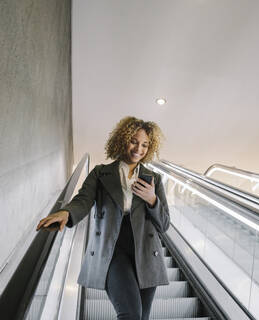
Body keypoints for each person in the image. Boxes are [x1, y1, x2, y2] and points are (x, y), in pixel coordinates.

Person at [36, 116, 170, 320]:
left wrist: (152, 200)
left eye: (145, 144)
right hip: (112, 248)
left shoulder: (154, 179)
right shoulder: (101, 173)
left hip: (145, 253)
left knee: (142, 317)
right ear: (122, 140)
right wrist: (67, 213)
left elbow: (165, 224)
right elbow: (83, 199)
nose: (138, 149)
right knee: (131, 314)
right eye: (134, 141)